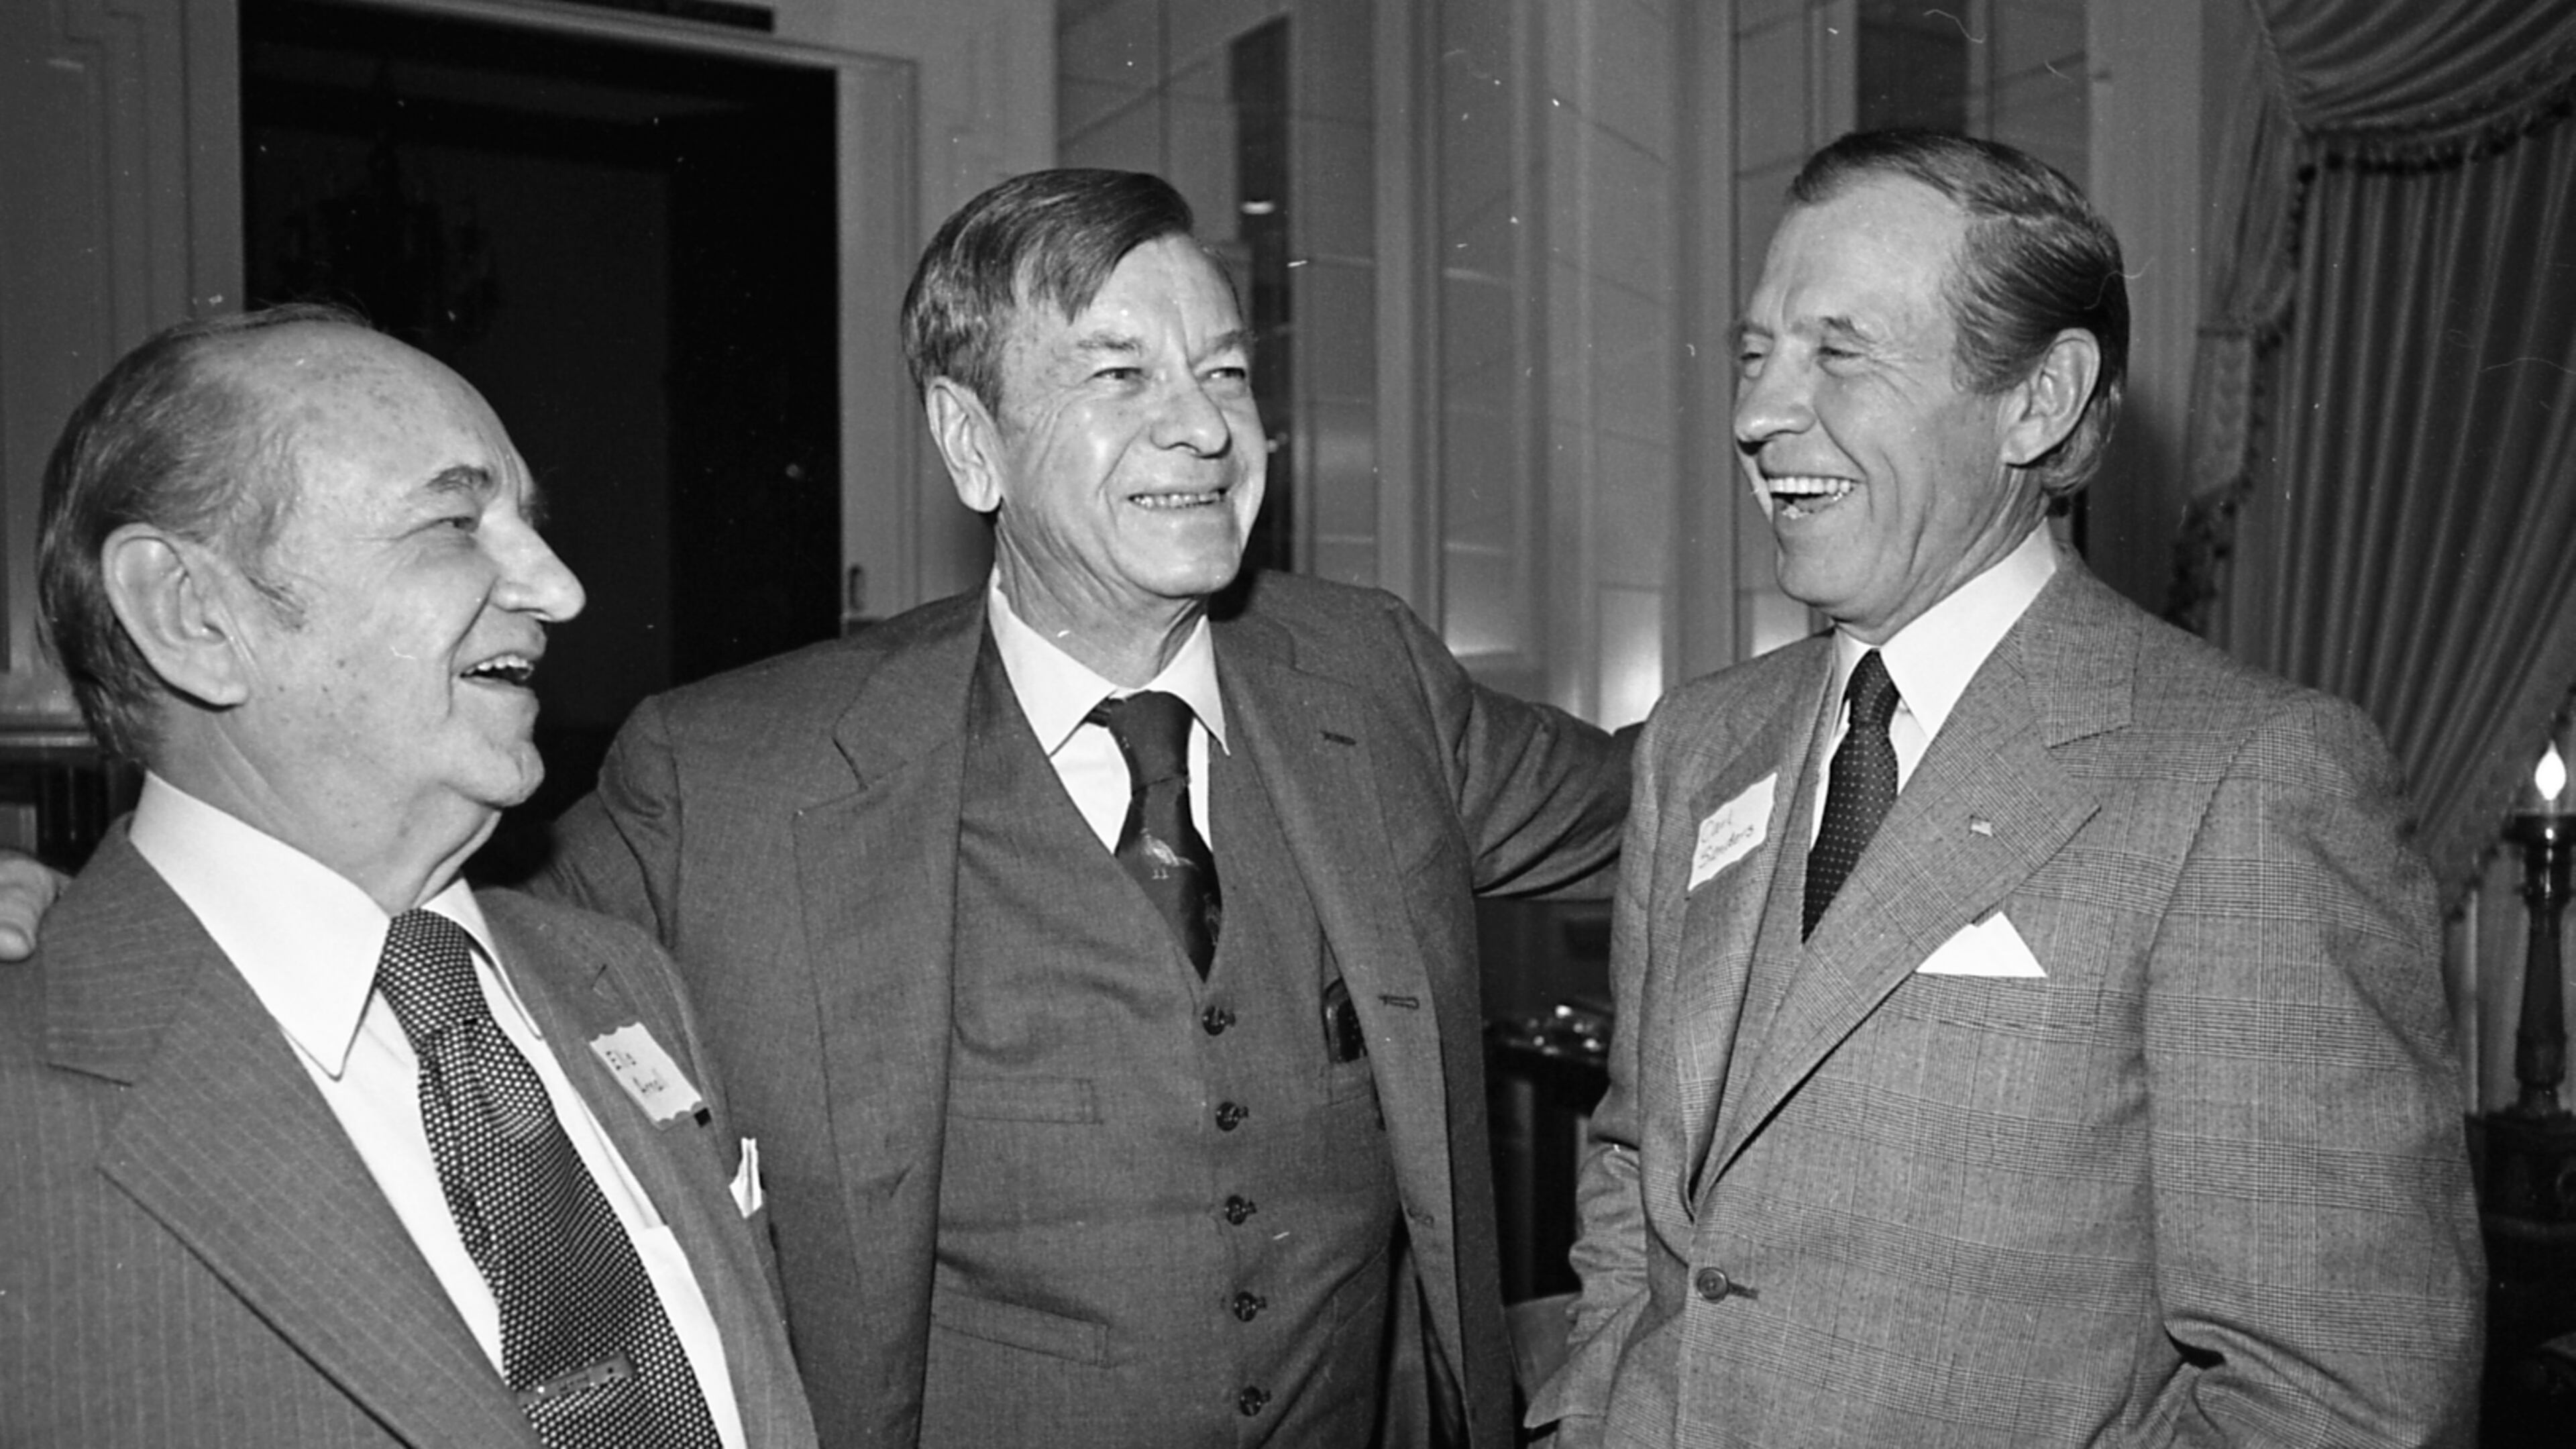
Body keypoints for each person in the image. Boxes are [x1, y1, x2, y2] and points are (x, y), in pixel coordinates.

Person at [533, 168, 1626, 1448]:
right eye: (1120, 377)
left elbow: (1674, 793)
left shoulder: (1370, 681)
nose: (1205, 430)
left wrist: (1905, 643)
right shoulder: (731, 774)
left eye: (1223, 373)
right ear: (970, 442)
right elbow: (460, 1036)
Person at [1529, 130, 2483, 1447]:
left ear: (2039, 401)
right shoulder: (1702, 745)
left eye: (1838, 352)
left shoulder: (2246, 781)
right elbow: (1637, 1167)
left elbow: (2345, 1399)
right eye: (1757, 355)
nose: (1756, 415)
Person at [0, 307, 818, 1449]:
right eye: (453, 520)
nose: (558, 588)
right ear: (194, 616)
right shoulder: (27, 1085)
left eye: (529, 524)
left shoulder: (619, 980)